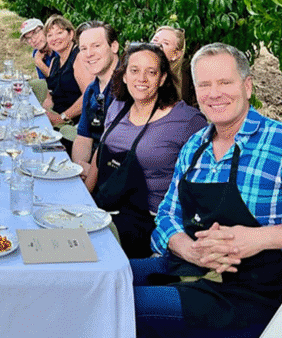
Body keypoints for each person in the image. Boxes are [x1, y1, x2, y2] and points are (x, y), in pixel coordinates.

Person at [131, 43, 282, 338]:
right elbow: (167, 216)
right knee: (106, 279)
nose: (215, 93)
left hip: (243, 298)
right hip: (192, 269)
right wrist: (190, 248)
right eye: (204, 85)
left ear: (247, 86)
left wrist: (258, 237)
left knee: (119, 306)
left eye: (225, 82)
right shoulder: (194, 146)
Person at [88, 43, 207, 257]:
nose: (141, 78)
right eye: (134, 70)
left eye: (151, 72)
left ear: (162, 79)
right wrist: (85, 196)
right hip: (106, 207)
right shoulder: (117, 106)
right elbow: (101, 152)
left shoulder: (187, 120)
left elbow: (202, 182)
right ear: (124, 75)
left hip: (147, 221)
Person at [70, 21, 120, 181]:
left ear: (114, 47)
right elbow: (84, 137)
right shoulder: (92, 89)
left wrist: (90, 175)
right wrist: (78, 168)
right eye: (83, 49)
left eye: (96, 46)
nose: (89, 54)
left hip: (115, 176)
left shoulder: (129, 87)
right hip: (92, 173)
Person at [42, 14, 93, 127]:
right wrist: (42, 111)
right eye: (50, 35)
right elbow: (51, 96)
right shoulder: (55, 62)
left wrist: (61, 118)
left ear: (71, 34)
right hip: (57, 120)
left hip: (76, 124)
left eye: (59, 33)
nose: (54, 38)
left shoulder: (78, 57)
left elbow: (89, 95)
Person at [151, 26, 186, 100]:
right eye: (155, 40)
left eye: (165, 43)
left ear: (176, 54)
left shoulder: (169, 89)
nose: (157, 45)